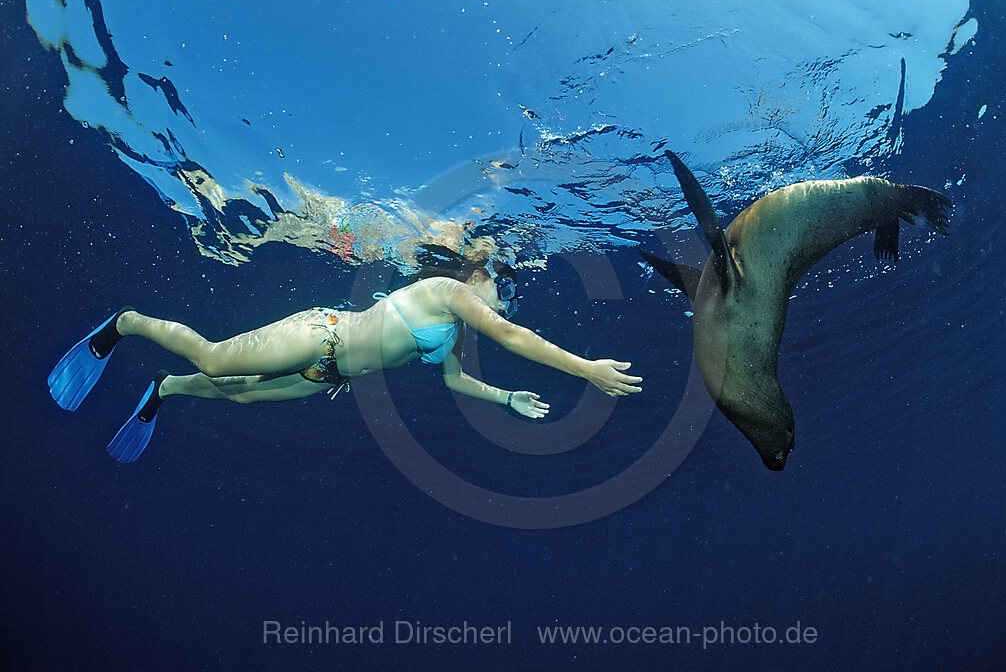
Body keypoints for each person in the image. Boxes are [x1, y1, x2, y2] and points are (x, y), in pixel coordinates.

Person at [47, 245, 643, 462]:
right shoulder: (449, 291)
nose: (507, 304)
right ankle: (124, 323)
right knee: (214, 360)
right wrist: (585, 368)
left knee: (243, 395)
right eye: (505, 289)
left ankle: (164, 388)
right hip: (321, 333)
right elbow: (513, 337)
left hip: (326, 373)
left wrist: (505, 396)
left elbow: (455, 382)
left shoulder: (452, 332)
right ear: (481, 275)